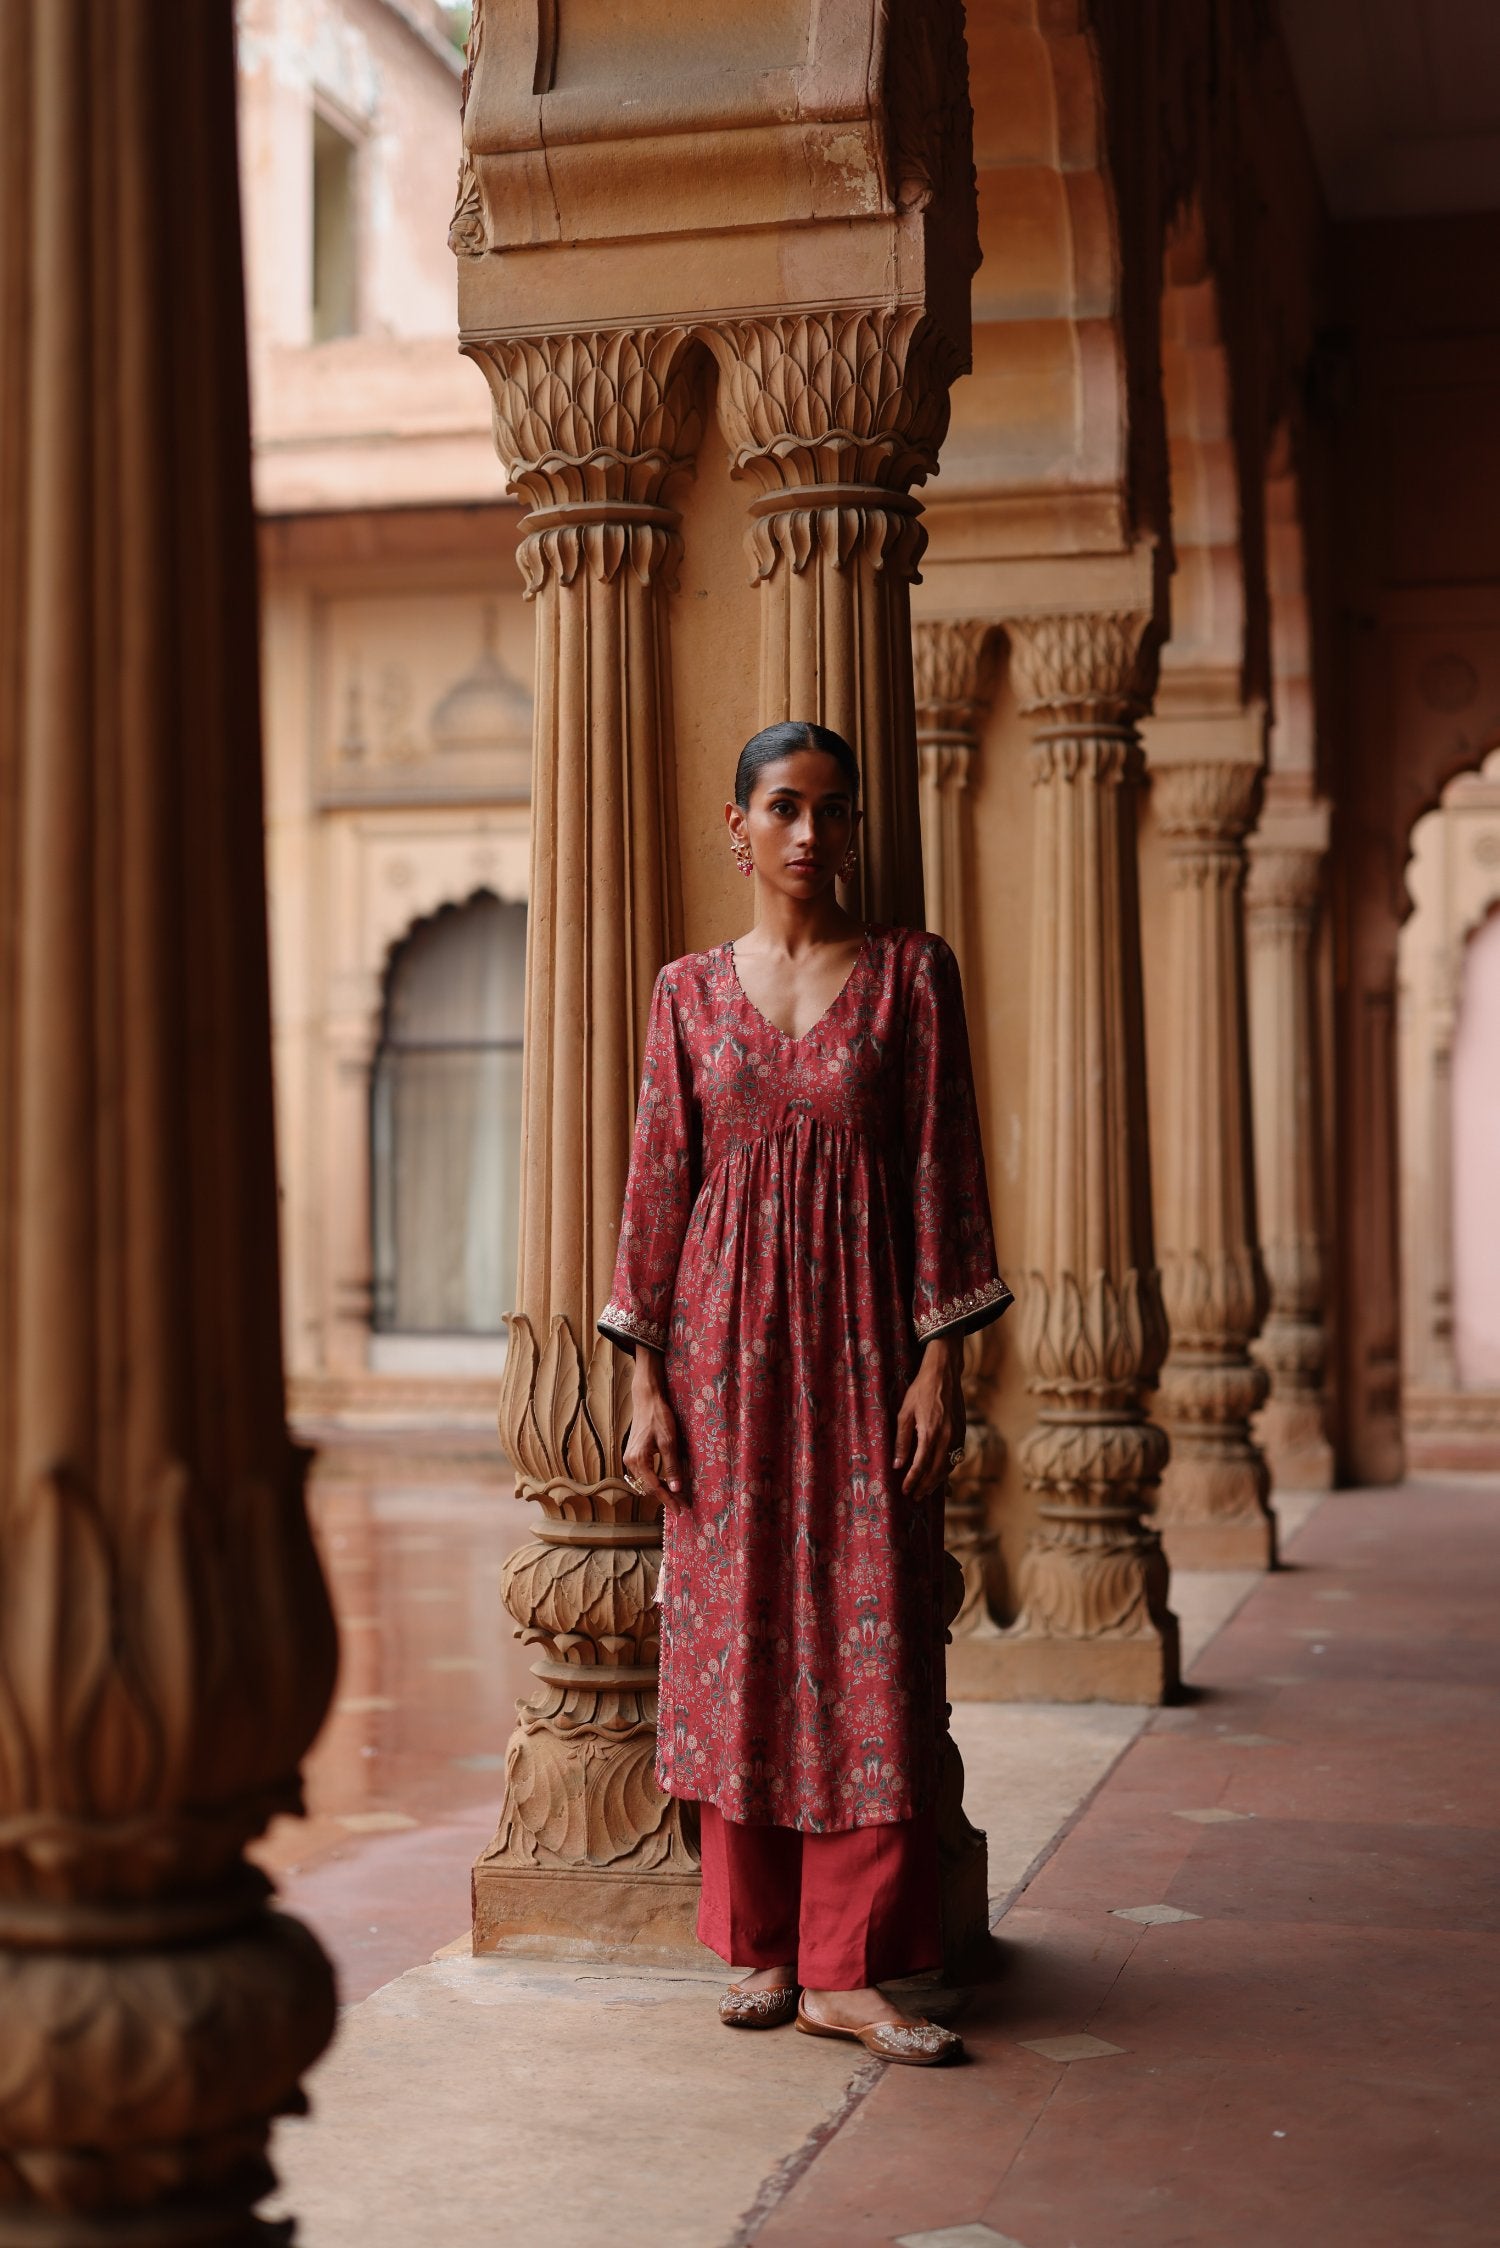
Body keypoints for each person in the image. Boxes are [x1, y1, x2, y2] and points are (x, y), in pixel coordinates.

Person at [598, 720, 1011, 2067]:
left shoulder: (907, 979)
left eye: (833, 813)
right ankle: (762, 1946)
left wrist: (943, 1364)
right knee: (738, 1633)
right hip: (720, 1360)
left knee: (868, 1635)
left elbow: (946, 1170)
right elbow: (659, 1181)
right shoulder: (686, 994)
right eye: (784, 809)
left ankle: (853, 1965)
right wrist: (645, 1378)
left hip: (864, 1355)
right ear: (738, 828)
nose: (810, 837)